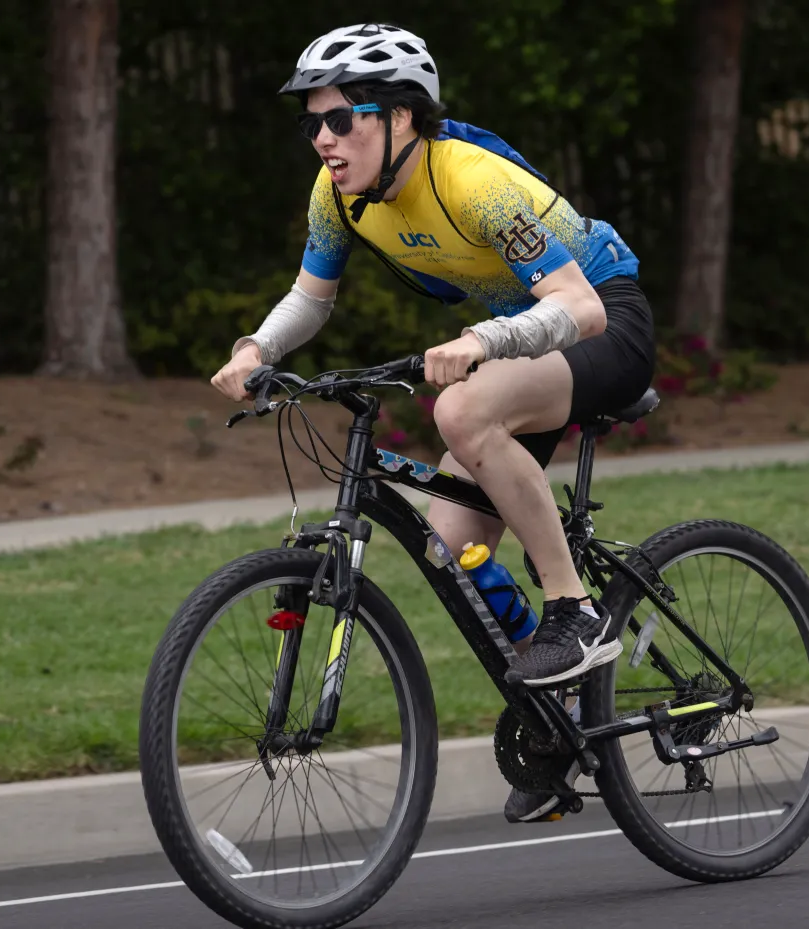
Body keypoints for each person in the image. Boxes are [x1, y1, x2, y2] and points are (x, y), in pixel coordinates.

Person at [210, 22, 656, 823]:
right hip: (522, 342)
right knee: (457, 550)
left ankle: (574, 611)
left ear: (402, 117)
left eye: (341, 118)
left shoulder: (475, 181)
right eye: (312, 121)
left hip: (603, 325)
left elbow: (578, 305)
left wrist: (483, 340)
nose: (322, 138)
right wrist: (256, 347)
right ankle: (561, 724)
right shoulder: (341, 198)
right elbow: (312, 300)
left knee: (460, 410)